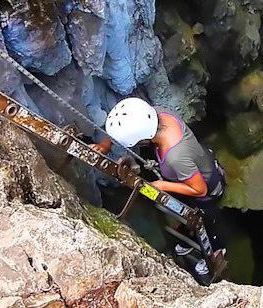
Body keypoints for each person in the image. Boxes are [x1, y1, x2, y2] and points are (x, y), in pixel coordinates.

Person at [91, 97, 226, 275]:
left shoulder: (176, 157)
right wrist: (105, 145)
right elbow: (129, 125)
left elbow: (200, 190)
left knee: (207, 222)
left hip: (207, 190)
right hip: (192, 169)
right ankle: (187, 239)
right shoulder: (157, 114)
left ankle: (216, 251)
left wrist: (162, 185)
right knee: (187, 214)